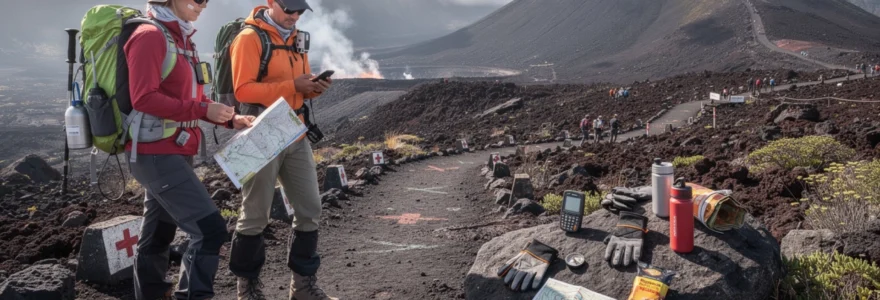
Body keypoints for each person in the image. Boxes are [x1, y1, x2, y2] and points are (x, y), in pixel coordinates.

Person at [125, 0, 255, 299]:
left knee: (158, 235)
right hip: (155, 154)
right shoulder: (149, 36)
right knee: (210, 231)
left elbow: (190, 97)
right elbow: (143, 98)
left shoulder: (180, 37)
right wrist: (201, 110)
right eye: (197, 0)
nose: (203, 5)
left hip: (173, 151)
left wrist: (229, 119)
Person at [228, 0, 335, 299]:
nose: (295, 16)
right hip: (261, 132)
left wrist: (314, 87)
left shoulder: (297, 38)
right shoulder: (249, 38)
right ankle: (247, 291)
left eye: (300, 11)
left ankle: (303, 288)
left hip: (295, 132)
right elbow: (243, 90)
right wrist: (292, 85)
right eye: (289, 10)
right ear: (271, 3)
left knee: (310, 209)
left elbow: (301, 84)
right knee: (254, 215)